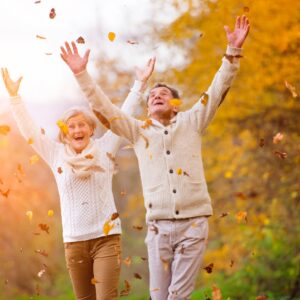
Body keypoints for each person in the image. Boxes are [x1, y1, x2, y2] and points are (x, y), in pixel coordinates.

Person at [61, 15, 250, 299]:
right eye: (151, 97)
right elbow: (104, 107)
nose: (155, 97)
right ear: (147, 109)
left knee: (177, 296)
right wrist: (81, 75)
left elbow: (217, 89)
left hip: (194, 223)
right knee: (159, 296)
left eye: (162, 94)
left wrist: (232, 52)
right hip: (158, 228)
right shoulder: (137, 131)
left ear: (175, 105)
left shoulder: (192, 121)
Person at [1, 52, 155, 300]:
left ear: (91, 129)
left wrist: (140, 84)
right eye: (71, 126)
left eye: (82, 124)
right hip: (74, 243)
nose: (77, 130)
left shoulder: (106, 148)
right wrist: (15, 98)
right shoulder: (55, 154)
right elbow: (30, 131)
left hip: (106, 239)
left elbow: (120, 117)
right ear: (65, 132)